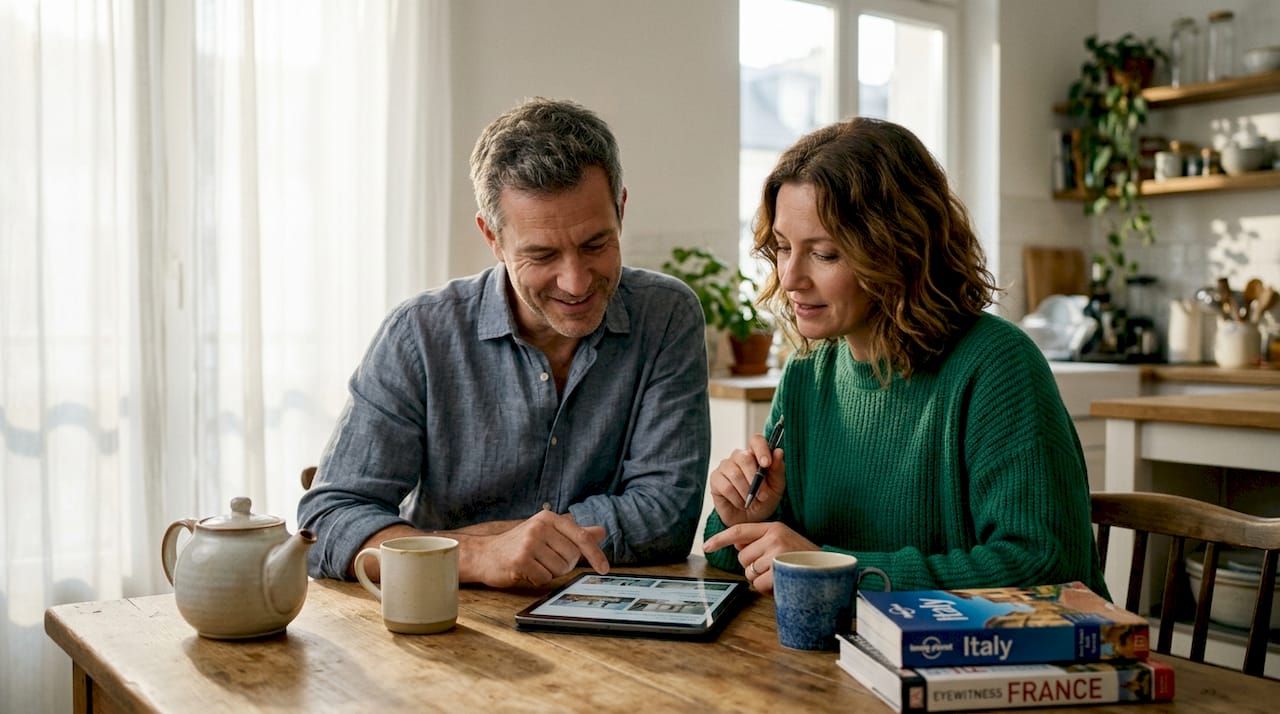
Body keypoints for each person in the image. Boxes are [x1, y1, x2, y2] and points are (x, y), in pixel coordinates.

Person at [299, 97, 710, 588]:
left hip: (611, 633)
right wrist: (476, 556)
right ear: (492, 237)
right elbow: (326, 523)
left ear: (621, 210)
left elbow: (666, 517)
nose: (576, 282)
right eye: (541, 255)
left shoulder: (666, 316)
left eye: (595, 245)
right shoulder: (419, 335)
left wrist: (469, 541)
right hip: (443, 627)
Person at [701, 117, 1108, 599]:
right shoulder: (807, 375)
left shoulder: (997, 365)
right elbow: (738, 554)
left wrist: (838, 572)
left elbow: (1045, 564)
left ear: (898, 250)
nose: (790, 278)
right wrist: (747, 516)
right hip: (854, 660)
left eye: (825, 254)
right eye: (784, 248)